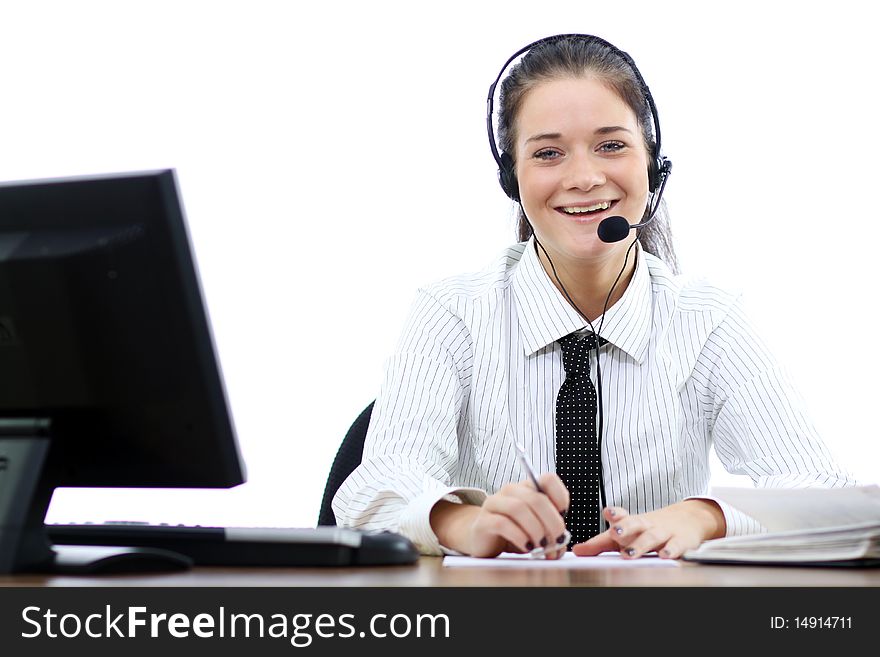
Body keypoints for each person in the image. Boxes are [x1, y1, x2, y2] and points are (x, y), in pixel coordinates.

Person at [332, 34, 856, 559]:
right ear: (512, 178)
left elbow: (822, 491)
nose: (584, 177)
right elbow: (373, 494)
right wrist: (463, 521)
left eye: (611, 145)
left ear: (652, 166)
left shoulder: (707, 319)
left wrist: (706, 516)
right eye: (548, 153)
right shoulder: (453, 314)